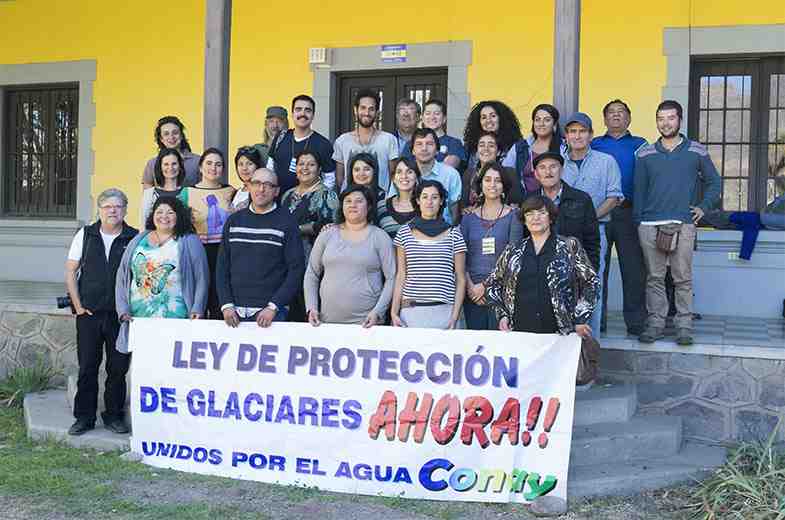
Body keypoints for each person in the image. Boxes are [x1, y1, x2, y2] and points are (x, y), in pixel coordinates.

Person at [634, 100, 721, 345]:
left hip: (683, 223)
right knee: (654, 277)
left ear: (679, 120)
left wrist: (703, 208)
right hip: (650, 224)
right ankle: (655, 324)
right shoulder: (645, 153)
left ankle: (684, 326)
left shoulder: (696, 150)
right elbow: (639, 191)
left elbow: (715, 183)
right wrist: (639, 222)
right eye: (661, 118)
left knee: (682, 277)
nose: (666, 123)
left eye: (671, 118)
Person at [64, 189, 138, 436]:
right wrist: (77, 304)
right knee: (87, 367)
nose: (112, 210)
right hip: (89, 314)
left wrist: (131, 309)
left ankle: (113, 416)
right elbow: (71, 271)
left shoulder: (134, 237)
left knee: (117, 368)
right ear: (99, 209)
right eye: (107, 206)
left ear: (125, 209)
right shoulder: (85, 235)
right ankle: (84, 417)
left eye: (117, 206)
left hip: (119, 316)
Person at [485, 194, 599, 339]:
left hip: (560, 336)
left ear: (551, 218)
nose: (535, 218)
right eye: (530, 213)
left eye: (542, 213)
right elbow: (493, 284)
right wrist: (502, 315)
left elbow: (591, 283)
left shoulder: (569, 246)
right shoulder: (512, 251)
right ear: (524, 220)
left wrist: (580, 318)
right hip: (519, 332)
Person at [115, 197, 209, 352]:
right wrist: (123, 310)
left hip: (177, 317)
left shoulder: (189, 240)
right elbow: (122, 276)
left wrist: (198, 308)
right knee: (144, 366)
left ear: (179, 216)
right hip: (139, 318)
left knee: (171, 363)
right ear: (152, 215)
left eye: (170, 212)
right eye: (159, 212)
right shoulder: (139, 239)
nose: (164, 216)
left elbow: (202, 278)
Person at [216, 168, 305, 327]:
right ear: (248, 186)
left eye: (268, 185)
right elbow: (222, 267)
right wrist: (226, 305)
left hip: (271, 315)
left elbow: (296, 270)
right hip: (233, 314)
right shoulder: (234, 221)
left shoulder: (287, 223)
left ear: (276, 191)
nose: (261, 189)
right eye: (256, 183)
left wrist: (274, 306)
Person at [562, 112, 623, 341]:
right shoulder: (557, 162)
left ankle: (590, 350)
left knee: (590, 287)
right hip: (562, 235)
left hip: (594, 233)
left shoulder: (606, 162)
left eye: (582, 131)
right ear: (566, 136)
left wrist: (587, 218)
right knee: (562, 288)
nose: (577, 136)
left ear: (591, 135)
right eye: (572, 131)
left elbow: (614, 197)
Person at [591, 99, 648, 335]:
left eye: (621, 112)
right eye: (611, 113)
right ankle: (598, 322)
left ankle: (636, 323)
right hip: (599, 214)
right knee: (597, 268)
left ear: (629, 118)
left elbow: (648, 178)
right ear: (604, 119)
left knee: (633, 269)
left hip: (628, 213)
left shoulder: (641, 145)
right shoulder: (594, 144)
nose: (616, 115)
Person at [304, 185, 396, 326]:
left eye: (359, 201)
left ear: (369, 206)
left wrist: (378, 311)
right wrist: (311, 308)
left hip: (367, 323)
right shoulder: (327, 235)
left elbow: (392, 277)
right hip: (327, 321)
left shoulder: (380, 237)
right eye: (348, 201)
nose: (353, 205)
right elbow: (312, 273)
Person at [391, 180, 466, 329]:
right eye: (424, 197)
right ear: (418, 201)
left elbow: (461, 278)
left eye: (435, 197)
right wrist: (394, 312)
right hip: (411, 311)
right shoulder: (404, 233)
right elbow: (401, 275)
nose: (429, 202)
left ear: (441, 201)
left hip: (445, 311)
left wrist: (455, 316)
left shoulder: (454, 234)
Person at [460, 162, 524, 330]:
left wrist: (486, 286)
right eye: (488, 180)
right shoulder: (467, 218)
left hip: (501, 293)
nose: (492, 185)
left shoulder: (514, 216)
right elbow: (460, 257)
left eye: (498, 180)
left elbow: (513, 258)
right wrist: (470, 287)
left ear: (504, 186)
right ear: (481, 184)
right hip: (471, 293)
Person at [281, 150, 339, 322]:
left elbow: (331, 228)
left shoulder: (328, 195)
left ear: (319, 168)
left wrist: (298, 230)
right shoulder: (287, 195)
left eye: (311, 164)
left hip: (313, 263)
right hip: (287, 261)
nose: (305, 168)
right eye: (301, 164)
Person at [180, 148, 236, 319]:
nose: (214, 168)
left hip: (223, 251)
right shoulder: (186, 193)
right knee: (197, 296)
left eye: (218, 164)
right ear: (200, 167)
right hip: (197, 251)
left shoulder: (231, 191)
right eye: (209, 163)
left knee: (220, 298)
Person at [534, 151, 601, 273]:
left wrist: (590, 272)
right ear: (536, 174)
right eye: (542, 168)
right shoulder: (529, 201)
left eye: (553, 167)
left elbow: (592, 241)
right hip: (538, 269)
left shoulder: (582, 199)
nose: (548, 172)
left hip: (573, 269)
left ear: (562, 170)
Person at [389, 128, 462, 224]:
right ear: (412, 151)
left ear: (437, 150)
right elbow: (391, 204)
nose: (424, 148)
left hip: (442, 231)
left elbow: (454, 213)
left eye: (429, 144)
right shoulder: (403, 175)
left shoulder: (451, 174)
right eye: (419, 144)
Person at [267, 95, 337, 193]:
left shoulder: (323, 144)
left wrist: (316, 199)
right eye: (298, 109)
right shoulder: (280, 137)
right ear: (292, 114)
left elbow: (329, 179)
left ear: (313, 115)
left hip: (307, 204)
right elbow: (270, 169)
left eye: (307, 110)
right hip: (278, 201)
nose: (302, 114)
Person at [333, 89, 399, 191]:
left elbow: (393, 175)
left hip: (380, 203)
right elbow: (340, 178)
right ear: (355, 110)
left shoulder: (389, 140)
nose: (367, 113)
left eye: (371, 109)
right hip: (350, 202)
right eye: (363, 108)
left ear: (377, 112)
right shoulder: (342, 141)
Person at [462, 100, 529, 186]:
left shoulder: (516, 146)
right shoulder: (470, 147)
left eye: (493, 116)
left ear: (501, 118)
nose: (488, 120)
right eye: (483, 117)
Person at [461, 131, 525, 211]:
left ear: (498, 152)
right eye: (481, 145)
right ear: (477, 151)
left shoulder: (509, 173)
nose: (486, 149)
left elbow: (516, 204)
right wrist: (467, 210)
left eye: (491, 146)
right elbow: (463, 205)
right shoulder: (469, 173)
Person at [401, 99, 467, 171]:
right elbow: (404, 169)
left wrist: (418, 166)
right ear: (422, 118)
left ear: (444, 118)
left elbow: (448, 168)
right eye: (428, 113)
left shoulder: (454, 143)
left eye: (437, 113)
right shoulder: (411, 143)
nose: (432, 117)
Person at [141, 116, 200, 189]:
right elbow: (147, 187)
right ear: (161, 139)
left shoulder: (197, 161)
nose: (171, 137)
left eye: (175, 133)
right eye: (166, 134)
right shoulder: (152, 163)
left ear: (181, 135)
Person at [523, 103, 567, 193]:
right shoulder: (521, 146)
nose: (541, 124)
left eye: (547, 120)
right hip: (525, 202)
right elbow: (506, 171)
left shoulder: (564, 147)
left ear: (554, 124)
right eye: (537, 120)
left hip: (556, 201)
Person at [140, 148, 187, 224]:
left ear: (180, 166)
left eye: (174, 164)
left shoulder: (188, 192)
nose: (170, 168)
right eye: (166, 164)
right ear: (160, 167)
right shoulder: (149, 194)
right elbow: (144, 224)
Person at [379, 157, 420, 238]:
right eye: (399, 172)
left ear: (416, 177)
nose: (404, 176)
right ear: (393, 178)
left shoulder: (426, 205)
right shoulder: (381, 206)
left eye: (410, 172)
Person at [345, 152, 388, 226]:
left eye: (366, 169)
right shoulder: (346, 194)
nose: (361, 173)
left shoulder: (381, 195)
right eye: (357, 170)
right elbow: (339, 220)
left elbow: (385, 223)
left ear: (374, 171)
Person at [230, 146, 263, 211]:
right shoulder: (236, 192)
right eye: (240, 164)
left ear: (257, 166)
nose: (244, 168)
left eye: (249, 164)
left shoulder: (262, 192)